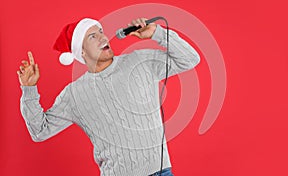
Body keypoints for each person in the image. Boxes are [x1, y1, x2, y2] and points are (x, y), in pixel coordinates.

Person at [17, 17, 200, 176]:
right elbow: (39, 131)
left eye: (101, 32)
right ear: (81, 52)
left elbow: (190, 59)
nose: (103, 38)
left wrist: (157, 33)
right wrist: (29, 89)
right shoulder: (74, 94)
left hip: (162, 172)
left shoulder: (139, 61)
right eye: (92, 36)